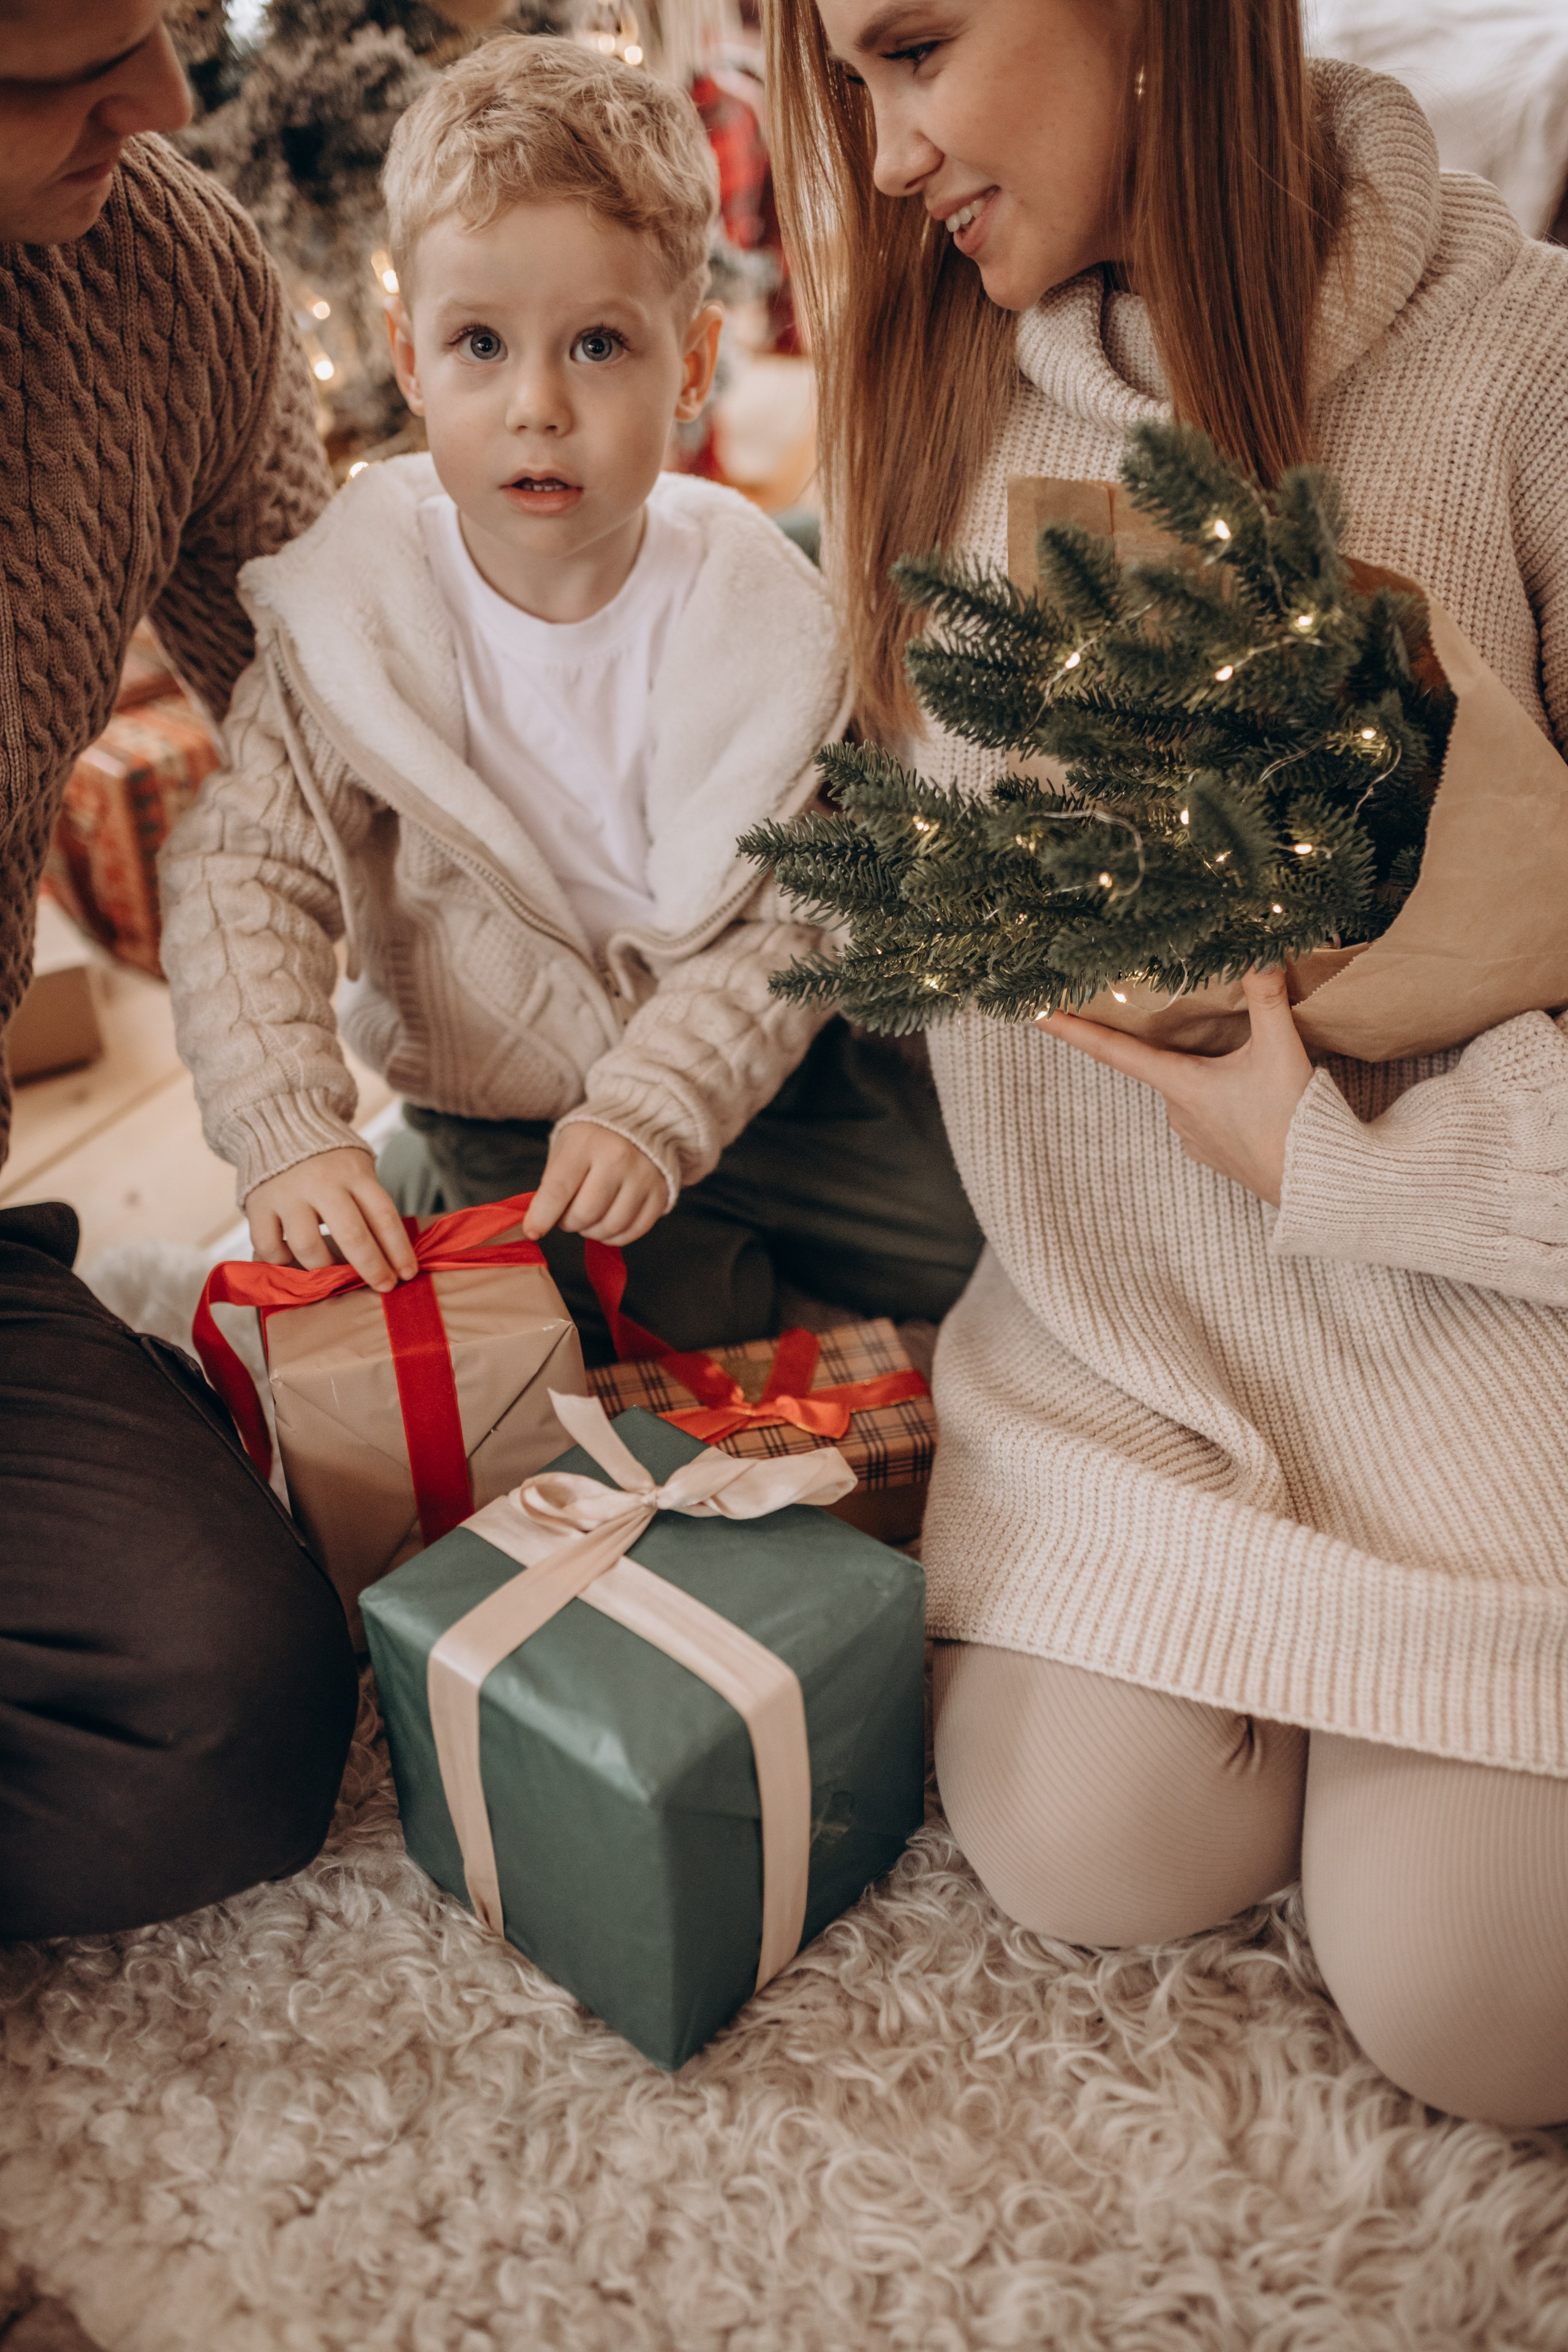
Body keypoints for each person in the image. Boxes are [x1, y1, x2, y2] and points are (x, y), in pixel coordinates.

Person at [765, 0, 1568, 2124]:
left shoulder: (1524, 364)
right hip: (1119, 1346)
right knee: (1089, 1855)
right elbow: (820, 870)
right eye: (845, 85)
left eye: (913, 48)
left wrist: (1350, 1155)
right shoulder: (925, 389)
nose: (886, 153)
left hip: (1486, 1328)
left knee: (1482, 2002)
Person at [159, 34, 982, 1365]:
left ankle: (720, 1228)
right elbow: (238, 879)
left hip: (769, 1076)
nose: (536, 406)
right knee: (657, 1330)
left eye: (598, 344)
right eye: (479, 345)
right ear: (409, 357)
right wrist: (288, 1128)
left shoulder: (765, 619)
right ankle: (431, 1182)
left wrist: (660, 1098)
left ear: (692, 364)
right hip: (512, 1111)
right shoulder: (347, 626)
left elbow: (795, 911)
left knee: (977, 1251)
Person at [0, 0, 358, 1942]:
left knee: (230, 1704)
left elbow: (331, 734)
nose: (160, 101)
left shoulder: (165, 270)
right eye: (47, 74)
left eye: (155, 23)